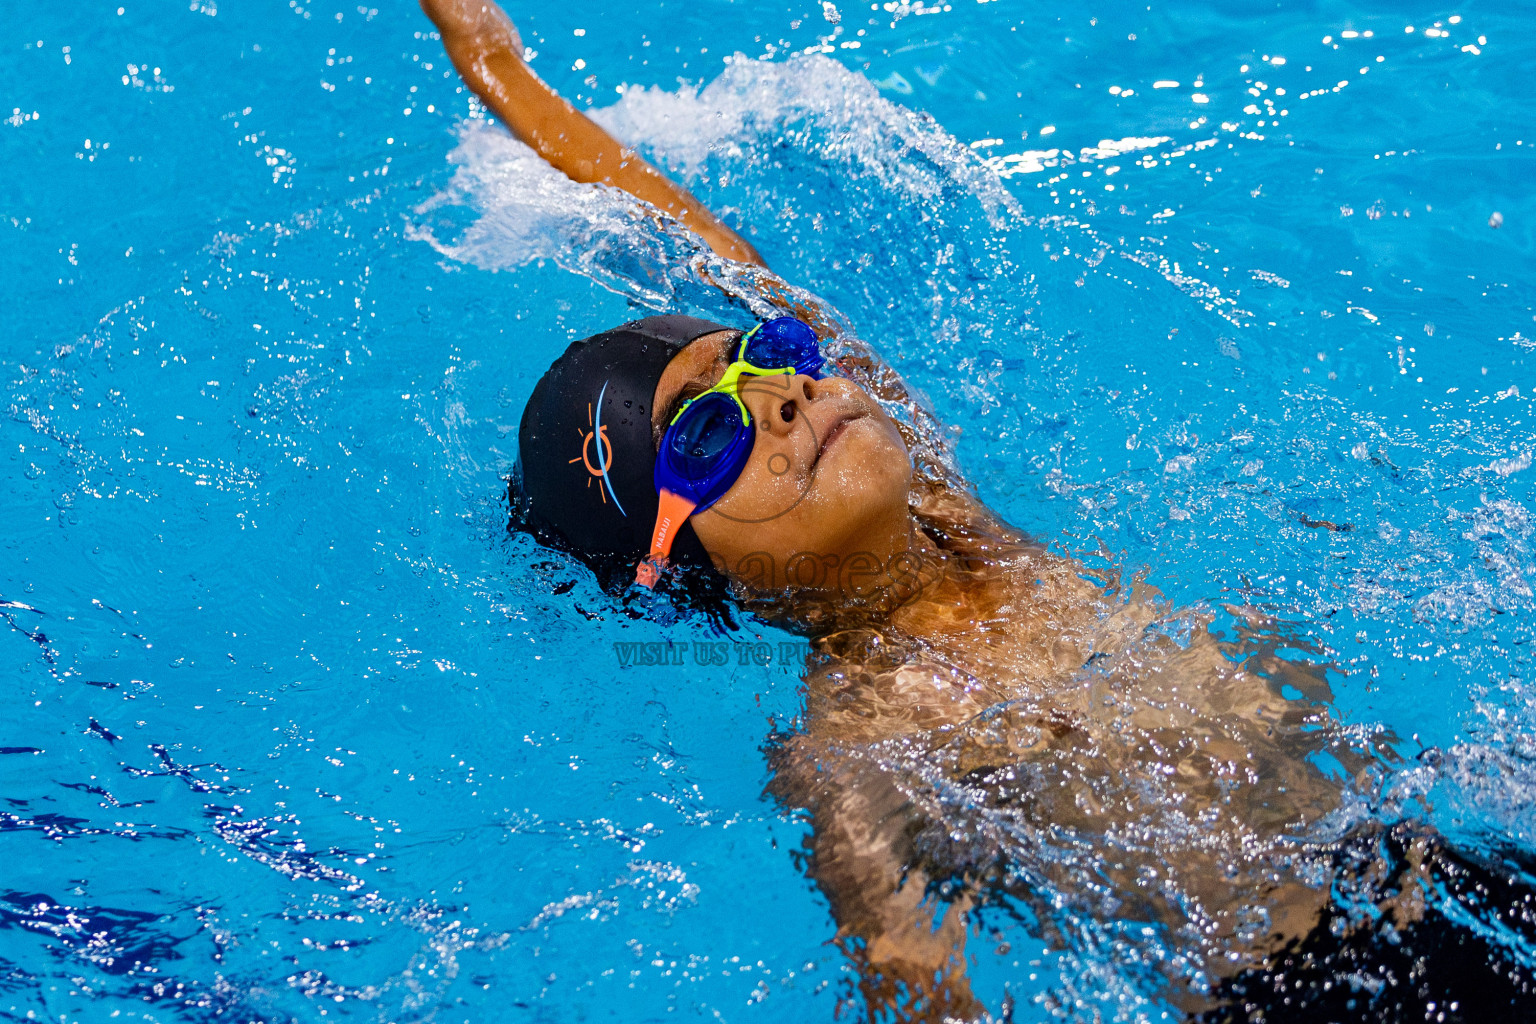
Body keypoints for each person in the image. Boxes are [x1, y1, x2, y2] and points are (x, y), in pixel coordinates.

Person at [420, 3, 1536, 1020]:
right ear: (683, 559)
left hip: (1432, 856)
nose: (786, 395)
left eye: (766, 361)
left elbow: (704, 249)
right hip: (1301, 996)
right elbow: (915, 988)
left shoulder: (950, 506)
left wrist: (496, 68)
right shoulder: (855, 752)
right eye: (710, 436)